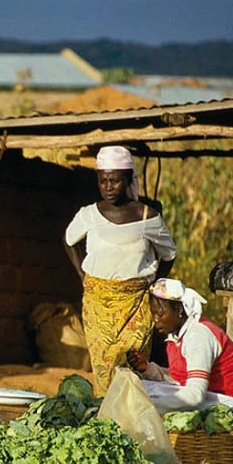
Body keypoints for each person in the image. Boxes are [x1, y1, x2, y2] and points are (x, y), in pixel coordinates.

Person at [64, 145, 176, 394]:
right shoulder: (89, 215)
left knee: (133, 370)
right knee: (104, 370)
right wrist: (83, 276)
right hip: (97, 305)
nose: (108, 186)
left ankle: (132, 425)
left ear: (127, 180)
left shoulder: (147, 216)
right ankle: (108, 425)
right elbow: (69, 240)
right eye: (103, 181)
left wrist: (153, 285)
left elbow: (169, 254)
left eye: (114, 180)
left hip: (135, 305)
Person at [126, 278, 233, 425]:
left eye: (160, 314)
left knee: (144, 395)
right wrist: (148, 369)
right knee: (140, 387)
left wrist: (149, 405)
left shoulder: (198, 336)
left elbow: (194, 395)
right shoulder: (176, 337)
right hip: (212, 397)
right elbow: (182, 378)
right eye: (153, 315)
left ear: (179, 310)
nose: (155, 320)